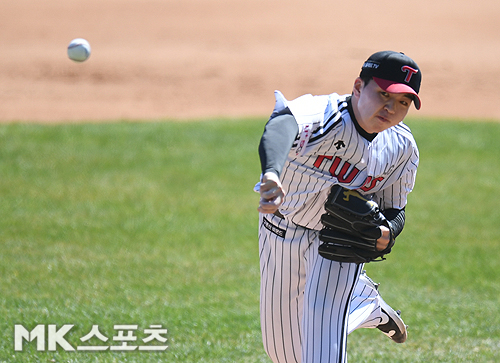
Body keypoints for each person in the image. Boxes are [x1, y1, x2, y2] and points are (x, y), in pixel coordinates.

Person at [255, 50, 421, 363]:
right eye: (383, 94)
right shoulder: (326, 115)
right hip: (281, 231)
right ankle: (364, 303)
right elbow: (282, 125)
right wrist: (272, 172)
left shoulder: (401, 147)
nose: (391, 107)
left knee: (320, 355)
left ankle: (353, 295)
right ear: (359, 86)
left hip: (340, 247)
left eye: (403, 102)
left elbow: (394, 210)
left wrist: (386, 233)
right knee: (284, 355)